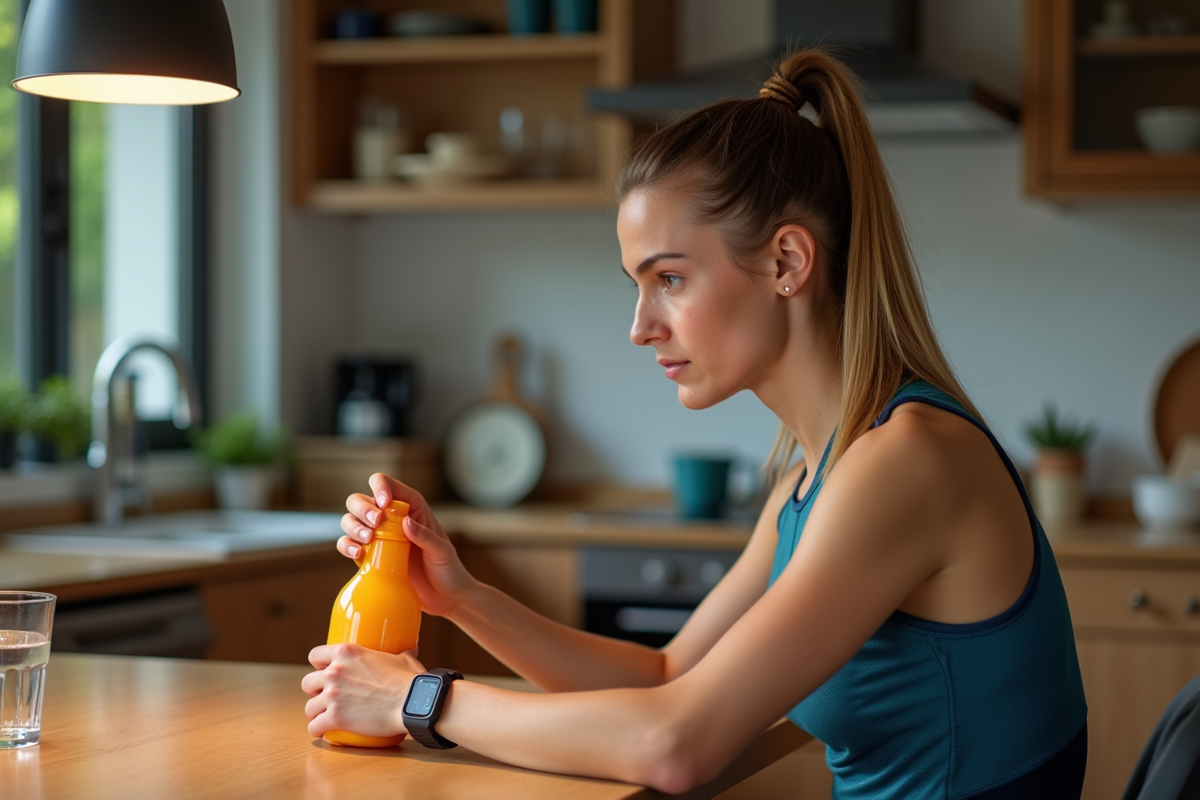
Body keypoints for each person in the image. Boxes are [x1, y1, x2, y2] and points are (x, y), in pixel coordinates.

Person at [302, 49, 1088, 799]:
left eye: (670, 279)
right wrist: (462, 598)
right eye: (638, 285)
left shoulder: (909, 461)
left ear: (786, 263)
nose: (641, 326)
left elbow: (676, 743)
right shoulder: (808, 484)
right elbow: (666, 678)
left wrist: (419, 700)